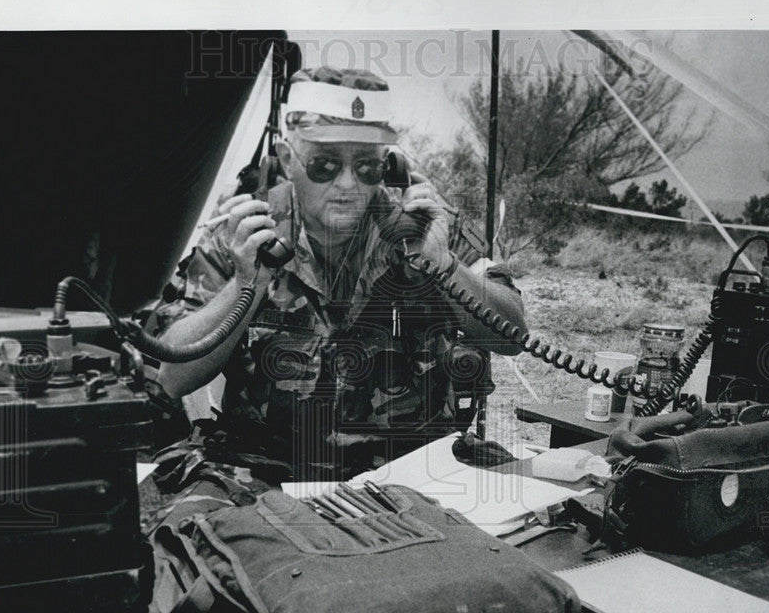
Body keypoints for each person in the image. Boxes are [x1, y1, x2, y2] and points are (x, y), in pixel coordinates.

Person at [148, 67, 526, 505]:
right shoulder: (246, 234)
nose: (347, 184)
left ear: (391, 166)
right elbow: (171, 376)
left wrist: (443, 266)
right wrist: (246, 285)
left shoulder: (426, 225)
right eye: (325, 164)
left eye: (367, 166)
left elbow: (513, 334)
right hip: (265, 476)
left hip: (412, 473)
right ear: (287, 161)